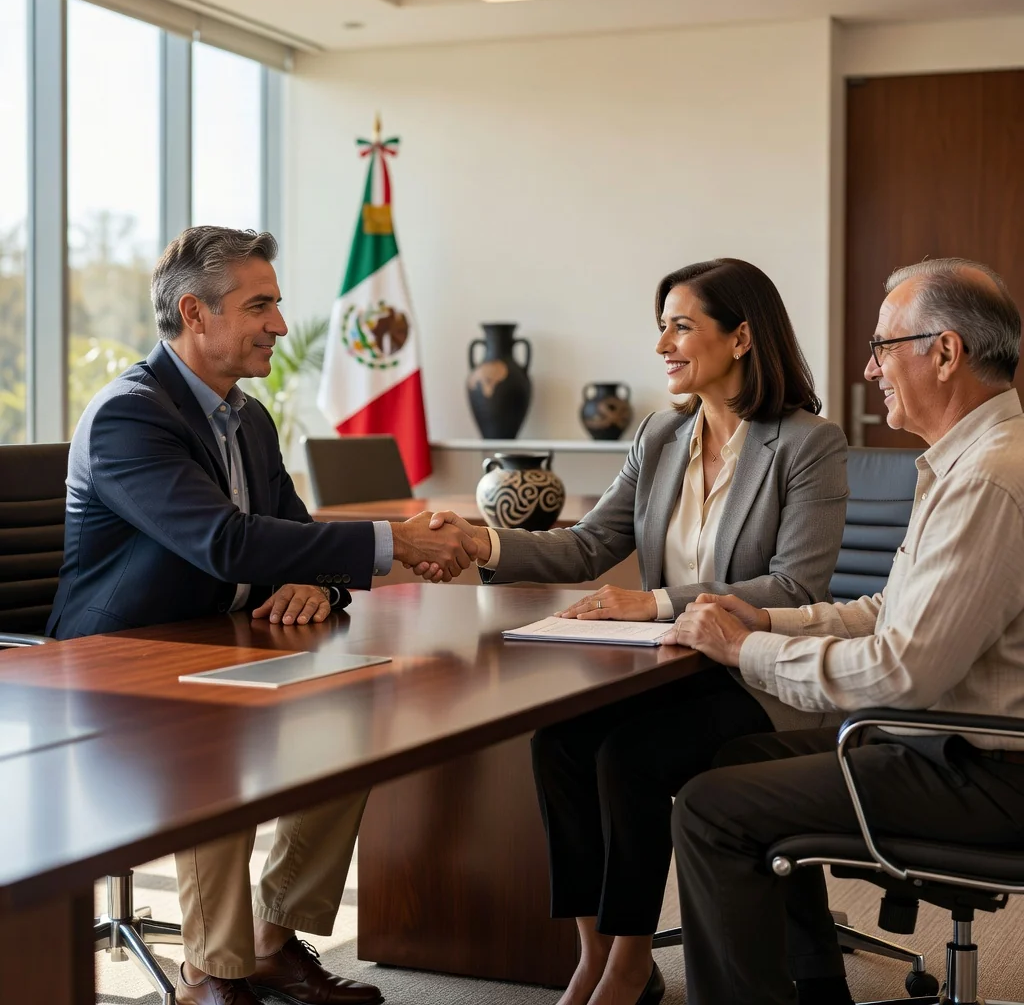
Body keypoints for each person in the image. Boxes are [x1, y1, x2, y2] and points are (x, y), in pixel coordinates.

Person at [47, 226, 482, 1005]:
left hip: (220, 646)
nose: (281, 324)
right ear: (195, 312)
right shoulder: (129, 417)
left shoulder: (246, 418)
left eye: (277, 304)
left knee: (357, 721)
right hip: (114, 667)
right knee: (216, 742)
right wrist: (395, 543)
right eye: (261, 305)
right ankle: (210, 970)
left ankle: (274, 939)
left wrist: (322, 583)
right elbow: (226, 543)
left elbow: (299, 540)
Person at [428, 259, 848, 1005]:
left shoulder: (808, 444)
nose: (662, 345)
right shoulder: (661, 436)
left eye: (681, 325)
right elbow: (588, 546)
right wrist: (484, 541)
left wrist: (653, 603)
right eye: (661, 326)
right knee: (559, 740)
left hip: (762, 674)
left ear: (743, 336)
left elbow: (793, 587)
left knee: (631, 755)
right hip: (671, 671)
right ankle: (595, 955)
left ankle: (628, 962)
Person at [666, 258, 1024, 1005]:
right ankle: (816, 984)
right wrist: (765, 616)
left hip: (983, 770)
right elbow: (887, 610)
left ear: (946, 352)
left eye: (884, 347)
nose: (869, 369)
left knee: (710, 810)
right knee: (739, 756)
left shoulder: (990, 478)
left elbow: (903, 671)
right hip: (953, 745)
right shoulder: (968, 462)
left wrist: (744, 650)